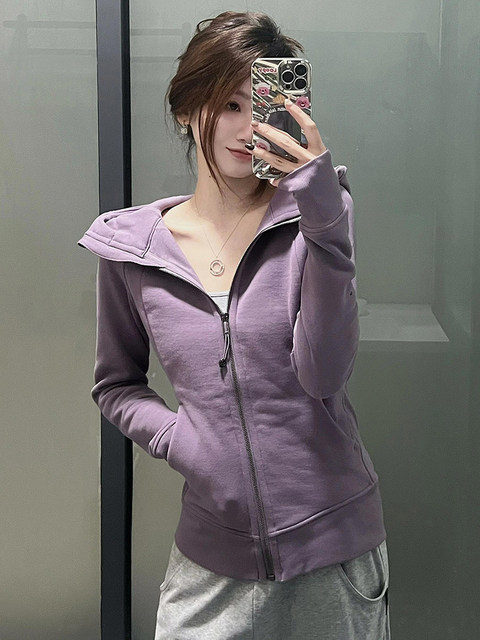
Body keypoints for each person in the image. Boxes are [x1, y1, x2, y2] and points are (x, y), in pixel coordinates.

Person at [78, 10, 391, 640]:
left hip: (335, 556)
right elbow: (116, 385)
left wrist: (324, 220)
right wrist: (182, 441)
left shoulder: (314, 220)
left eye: (264, 105)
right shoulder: (136, 252)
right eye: (229, 105)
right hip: (211, 564)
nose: (249, 128)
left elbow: (324, 373)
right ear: (188, 110)